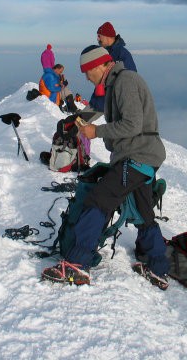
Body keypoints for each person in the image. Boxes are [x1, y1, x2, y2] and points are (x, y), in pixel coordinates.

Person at [42, 45, 169, 288]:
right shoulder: (114, 85)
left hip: (137, 156)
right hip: (140, 157)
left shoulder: (125, 81)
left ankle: (78, 264)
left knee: (98, 200)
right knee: (142, 212)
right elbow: (117, 123)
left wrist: (96, 131)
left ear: (99, 65)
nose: (86, 77)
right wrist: (86, 127)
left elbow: (132, 125)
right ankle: (158, 268)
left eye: (87, 71)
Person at [87, 22, 137, 112]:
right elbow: (101, 80)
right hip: (100, 103)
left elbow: (131, 79)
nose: (97, 39)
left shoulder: (122, 54)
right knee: (78, 122)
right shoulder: (103, 53)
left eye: (99, 36)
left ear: (106, 36)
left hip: (115, 106)